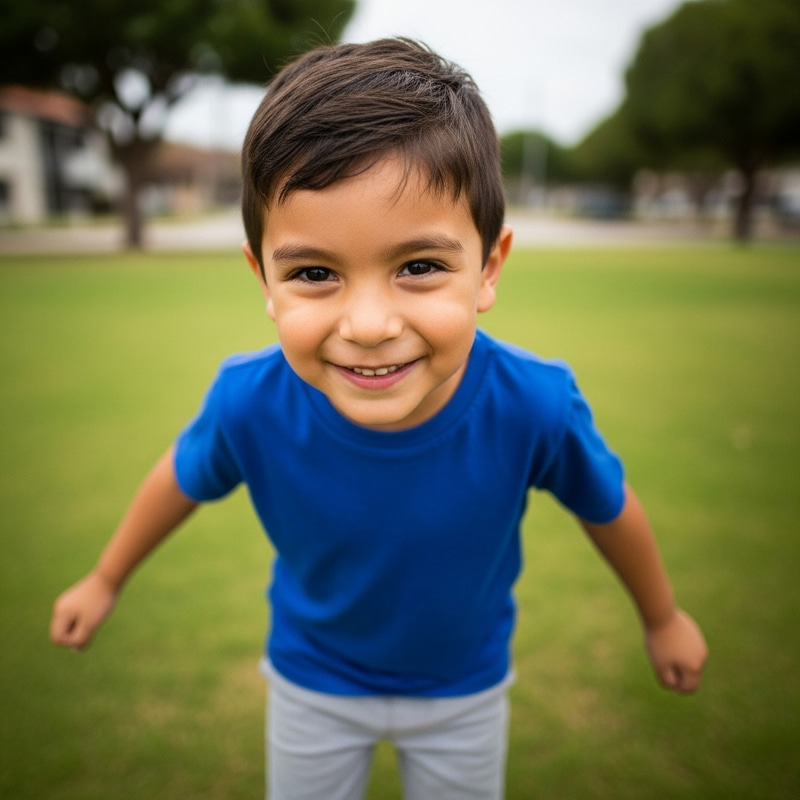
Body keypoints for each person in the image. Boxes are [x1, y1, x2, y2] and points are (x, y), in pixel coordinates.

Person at [50, 38, 708, 800]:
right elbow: (181, 476)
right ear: (264, 280)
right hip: (313, 683)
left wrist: (661, 617)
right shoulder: (248, 400)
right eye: (314, 273)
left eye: (419, 267)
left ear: (488, 267)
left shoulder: (534, 402)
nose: (368, 325)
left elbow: (608, 506)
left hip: (463, 690)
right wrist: (105, 579)